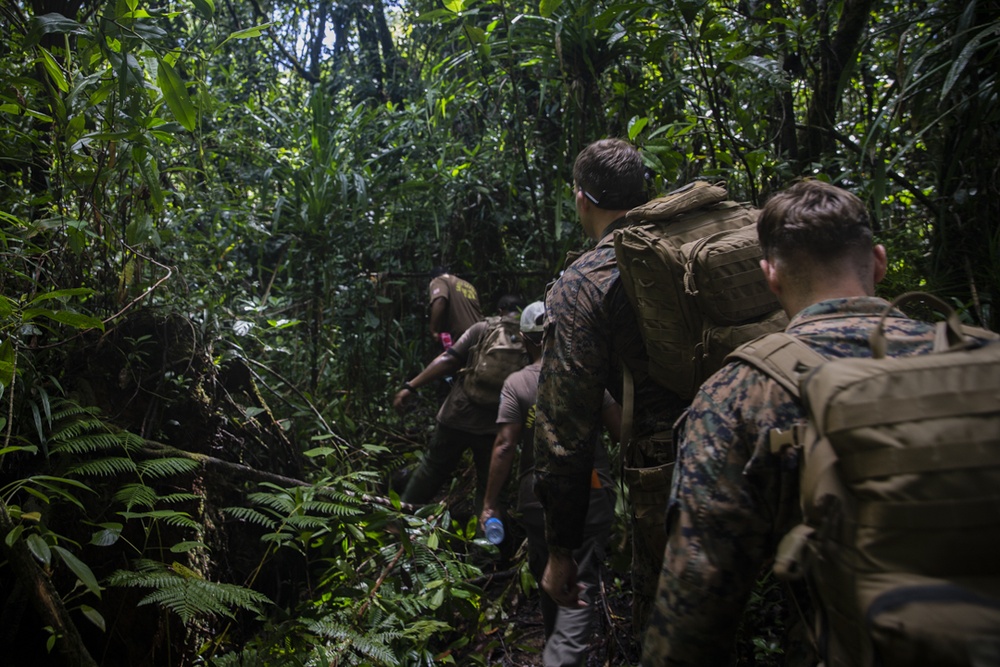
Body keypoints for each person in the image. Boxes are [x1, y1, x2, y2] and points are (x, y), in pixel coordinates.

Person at [641, 179, 982, 665]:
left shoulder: (740, 393)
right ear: (879, 262)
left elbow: (694, 612)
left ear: (770, 277)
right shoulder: (980, 355)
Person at [533, 138, 688, 635]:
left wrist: (561, 550)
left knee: (672, 627)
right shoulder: (684, 243)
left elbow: (565, 430)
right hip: (764, 443)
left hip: (671, 471)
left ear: (581, 198)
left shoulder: (586, 281)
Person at [480, 301, 620, 667]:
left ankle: (553, 648)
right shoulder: (587, 375)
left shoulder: (517, 384)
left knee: (548, 571)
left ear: (527, 340)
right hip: (591, 493)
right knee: (579, 578)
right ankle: (560, 656)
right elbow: (623, 430)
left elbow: (506, 445)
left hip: (536, 497)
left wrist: (490, 503)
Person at [394, 296, 524, 513]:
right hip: (497, 425)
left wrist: (411, 386)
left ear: (500, 311)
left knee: (432, 468)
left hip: (458, 414)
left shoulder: (483, 328)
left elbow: (449, 359)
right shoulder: (530, 336)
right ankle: (485, 540)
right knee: (490, 486)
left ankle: (398, 522)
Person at [428, 267, 483, 349]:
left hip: (463, 338)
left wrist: (433, 330)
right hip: (480, 334)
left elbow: (440, 300)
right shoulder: (468, 285)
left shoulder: (438, 280)